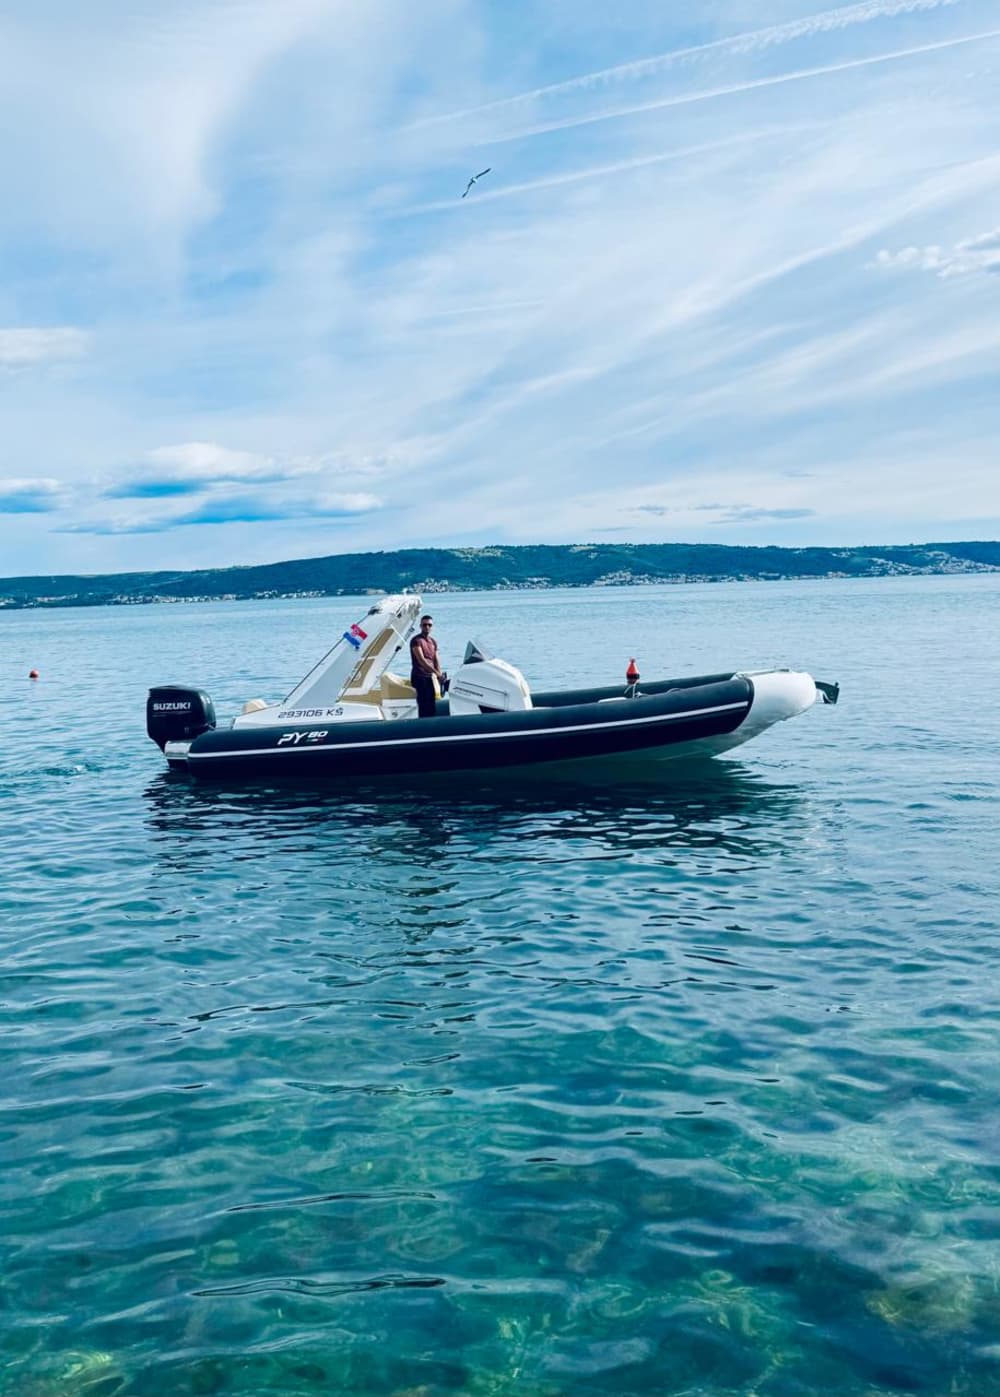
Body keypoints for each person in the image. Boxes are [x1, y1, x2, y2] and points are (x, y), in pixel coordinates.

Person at [409, 614, 443, 718]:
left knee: (431, 704)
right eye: (424, 625)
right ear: (420, 626)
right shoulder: (416, 640)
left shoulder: (433, 642)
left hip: (430, 677)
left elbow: (436, 659)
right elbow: (421, 661)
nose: (427, 627)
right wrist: (436, 673)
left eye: (429, 625)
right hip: (419, 676)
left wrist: (440, 674)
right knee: (423, 705)